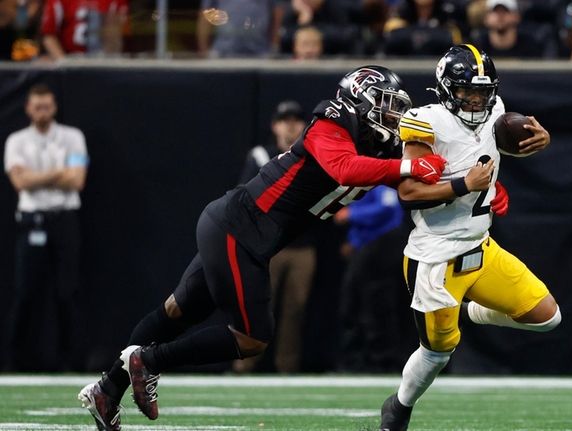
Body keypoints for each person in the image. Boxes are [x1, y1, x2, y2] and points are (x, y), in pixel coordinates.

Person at [77, 65, 447, 431]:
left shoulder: (379, 144)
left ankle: (108, 390)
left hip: (241, 229)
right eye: (385, 104)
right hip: (242, 227)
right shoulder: (333, 120)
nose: (393, 115)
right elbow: (345, 169)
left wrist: (468, 184)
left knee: (176, 310)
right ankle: (149, 360)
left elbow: (412, 178)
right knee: (253, 338)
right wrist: (407, 166)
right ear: (360, 98)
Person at [378, 44, 560, 431]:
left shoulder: (496, 111)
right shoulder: (425, 122)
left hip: (480, 247)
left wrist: (537, 144)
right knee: (438, 352)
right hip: (436, 258)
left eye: (482, 91)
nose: (476, 99)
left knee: (547, 317)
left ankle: (472, 309)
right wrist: (463, 185)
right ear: (446, 88)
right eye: (467, 91)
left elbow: (493, 151)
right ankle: (398, 408)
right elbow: (408, 193)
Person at [3, 84, 88, 371]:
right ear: (28, 108)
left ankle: (72, 361)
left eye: (47, 106)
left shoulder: (72, 137)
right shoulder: (16, 141)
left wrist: (35, 176)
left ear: (54, 107)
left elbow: (77, 180)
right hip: (31, 220)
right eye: (37, 106)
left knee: (68, 291)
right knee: (26, 291)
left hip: (64, 219)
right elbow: (19, 182)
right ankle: (15, 361)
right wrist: (56, 173)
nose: (42, 111)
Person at [233, 100, 315, 374]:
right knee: (256, 305)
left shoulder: (314, 156)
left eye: (296, 120)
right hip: (268, 246)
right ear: (275, 125)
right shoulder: (261, 156)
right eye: (285, 120)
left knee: (295, 309)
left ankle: (287, 366)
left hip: (302, 245)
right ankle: (244, 362)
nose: (291, 126)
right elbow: (245, 197)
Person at [335, 185, 414, 372]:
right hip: (368, 246)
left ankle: (381, 360)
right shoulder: (362, 179)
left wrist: (352, 214)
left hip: (383, 246)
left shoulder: (380, 178)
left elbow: (388, 206)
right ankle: (359, 360)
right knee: (356, 303)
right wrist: (354, 242)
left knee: (378, 304)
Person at [40, 0, 128, 59]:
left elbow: (115, 37)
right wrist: (63, 63)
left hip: (103, 63)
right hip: (69, 62)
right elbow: (49, 35)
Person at [196, 0, 278, 58]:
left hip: (260, 53)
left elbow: (277, 14)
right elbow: (206, 15)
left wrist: (274, 46)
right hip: (223, 53)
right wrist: (204, 49)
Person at [473, 0, 543, 59]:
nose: (500, 16)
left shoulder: (530, 47)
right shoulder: (477, 48)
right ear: (486, 18)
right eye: (495, 11)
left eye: (505, 11)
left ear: (517, 16)